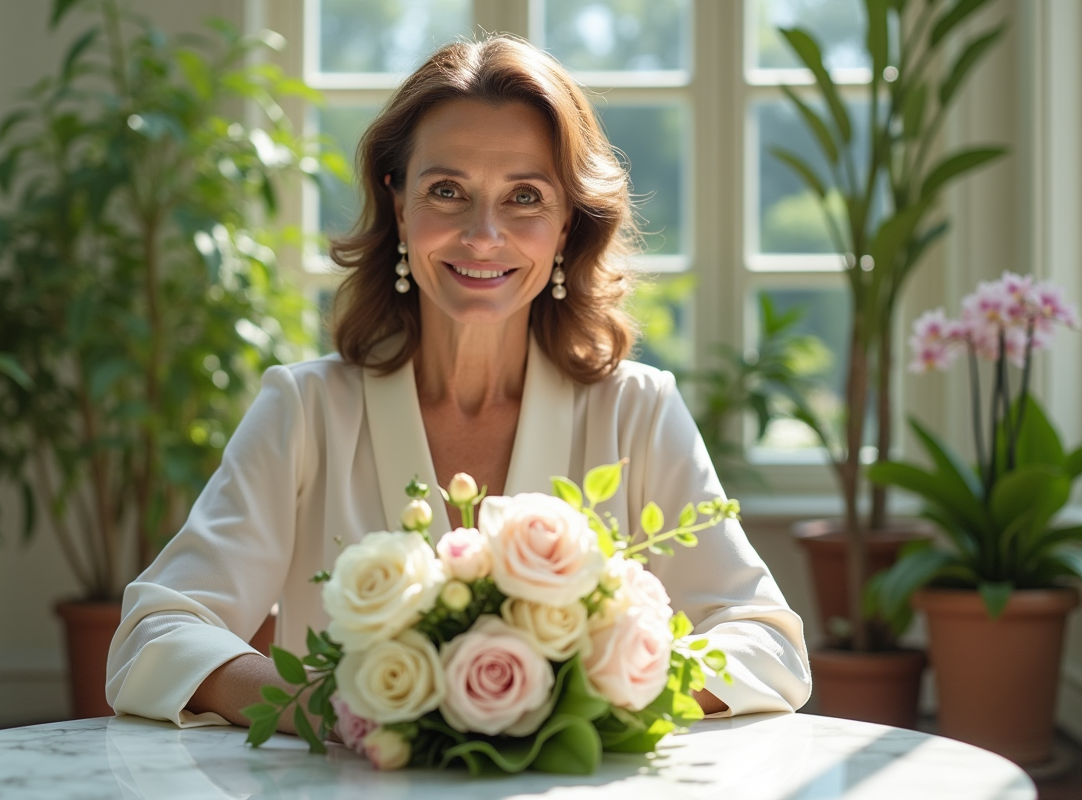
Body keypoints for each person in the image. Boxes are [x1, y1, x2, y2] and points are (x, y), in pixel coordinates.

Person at [106, 34, 810, 733]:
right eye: (447, 191)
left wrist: (583, 702)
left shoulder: (638, 412)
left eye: (525, 197)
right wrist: (332, 709)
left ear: (568, 223)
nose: (482, 235)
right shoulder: (305, 412)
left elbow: (769, 645)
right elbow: (154, 635)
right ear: (398, 204)